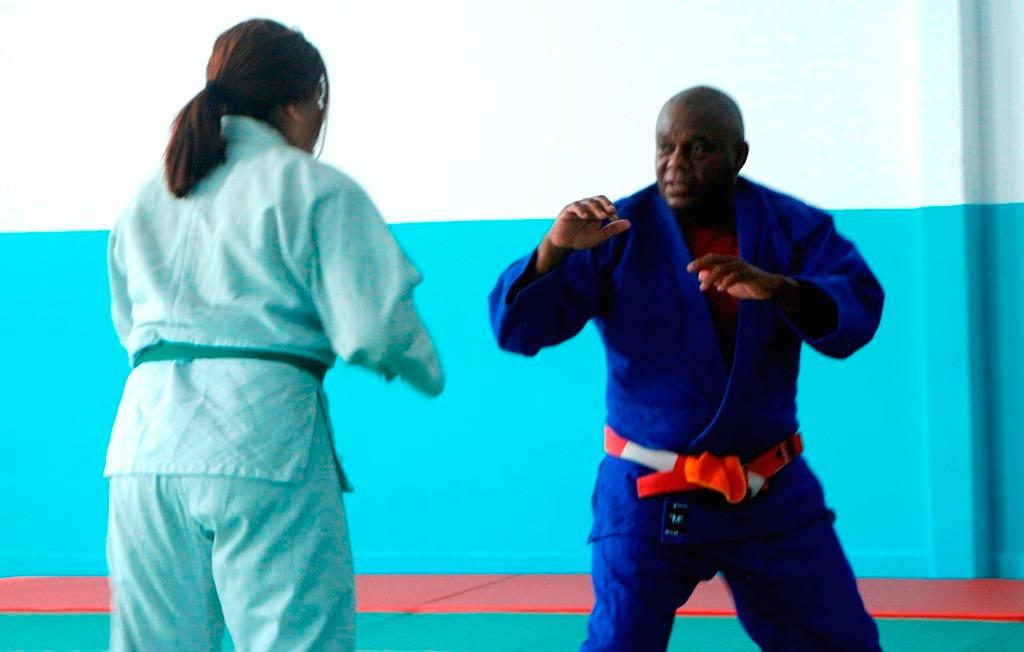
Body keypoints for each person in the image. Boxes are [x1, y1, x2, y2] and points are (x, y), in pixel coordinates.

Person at [488, 86, 883, 651]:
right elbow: (518, 331)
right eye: (665, 147)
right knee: (619, 642)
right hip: (650, 489)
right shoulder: (613, 231)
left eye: (698, 149)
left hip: (766, 488)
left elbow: (856, 307)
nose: (676, 164)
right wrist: (554, 251)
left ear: (738, 156)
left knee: (843, 643)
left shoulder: (791, 228)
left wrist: (781, 289)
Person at [105, 19, 443, 651]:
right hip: (260, 439)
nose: (318, 121)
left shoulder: (149, 196)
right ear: (295, 103)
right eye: (319, 104)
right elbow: (374, 330)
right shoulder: (311, 186)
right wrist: (424, 365)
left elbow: (129, 326)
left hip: (142, 447)